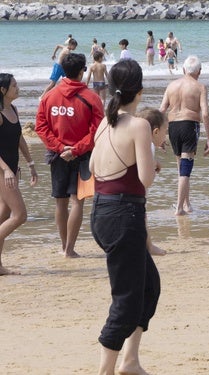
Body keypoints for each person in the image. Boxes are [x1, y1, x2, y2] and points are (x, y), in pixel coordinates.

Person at [89, 59, 160, 375]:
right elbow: (145, 178)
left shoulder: (106, 121)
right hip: (123, 215)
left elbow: (92, 167)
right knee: (127, 299)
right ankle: (105, 370)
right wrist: (153, 161)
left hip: (102, 211)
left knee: (149, 286)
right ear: (140, 89)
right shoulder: (139, 125)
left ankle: (130, 361)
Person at [35, 53, 104, 258]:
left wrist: (59, 147)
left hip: (58, 155)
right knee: (76, 201)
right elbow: (97, 131)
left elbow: (41, 127)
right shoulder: (92, 97)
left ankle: (64, 245)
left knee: (60, 201)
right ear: (82, 71)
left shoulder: (49, 96)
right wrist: (74, 149)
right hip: (81, 156)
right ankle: (69, 249)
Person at [160, 56, 209, 216]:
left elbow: (161, 110)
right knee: (185, 169)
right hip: (189, 125)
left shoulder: (171, 85)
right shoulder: (200, 87)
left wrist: (160, 135)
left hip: (173, 126)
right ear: (199, 72)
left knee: (181, 168)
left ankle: (186, 203)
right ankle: (179, 208)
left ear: (183, 70)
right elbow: (205, 114)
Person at [0, 73, 38, 275]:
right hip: (1, 170)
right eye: (14, 85)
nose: (18, 88)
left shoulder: (12, 109)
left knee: (4, 215)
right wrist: (6, 169)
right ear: (3, 90)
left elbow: (19, 138)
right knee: (20, 214)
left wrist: (30, 163)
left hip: (11, 169)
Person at [136, 108, 170, 257]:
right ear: (155, 132)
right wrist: (153, 165)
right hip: (139, 189)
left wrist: (155, 162)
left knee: (141, 216)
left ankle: (146, 244)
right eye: (165, 131)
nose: (166, 135)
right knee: (142, 215)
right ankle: (149, 246)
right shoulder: (148, 144)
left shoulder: (140, 142)